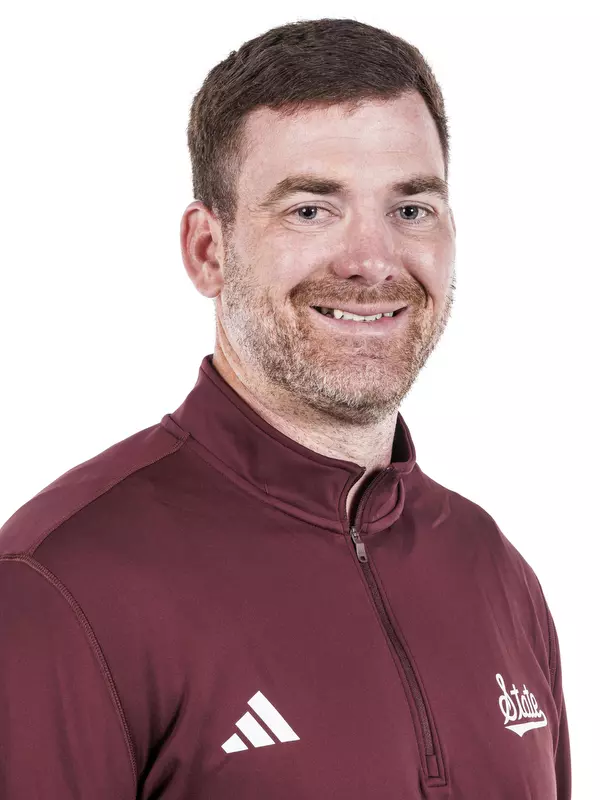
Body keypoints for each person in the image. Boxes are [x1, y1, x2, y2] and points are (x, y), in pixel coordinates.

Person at [0, 17, 570, 799]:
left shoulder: (496, 574)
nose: (372, 261)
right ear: (209, 249)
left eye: (411, 209)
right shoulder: (59, 585)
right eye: (311, 210)